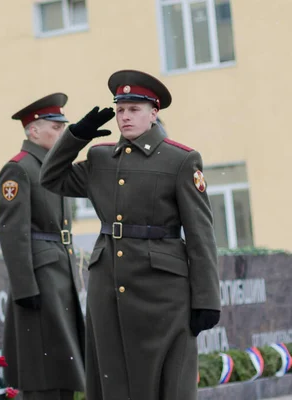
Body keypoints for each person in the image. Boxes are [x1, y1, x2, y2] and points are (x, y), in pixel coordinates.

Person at [39, 70, 221, 400]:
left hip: (163, 289)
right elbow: (51, 178)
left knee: (165, 382)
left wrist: (207, 299)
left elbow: (200, 234)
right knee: (113, 380)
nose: (125, 117)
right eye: (121, 109)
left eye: (134, 109)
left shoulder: (180, 160)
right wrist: (76, 136)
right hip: (108, 284)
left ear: (154, 113)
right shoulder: (100, 157)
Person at [0, 93, 85, 399]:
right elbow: (13, 232)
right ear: (33, 130)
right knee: (43, 367)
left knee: (62, 365)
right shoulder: (19, 169)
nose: (61, 134)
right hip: (40, 275)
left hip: (58, 271)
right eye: (55, 128)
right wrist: (24, 288)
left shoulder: (51, 167)